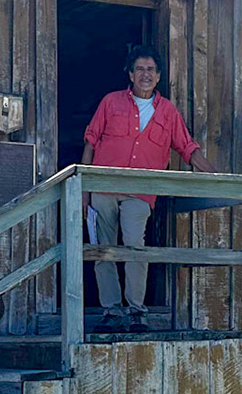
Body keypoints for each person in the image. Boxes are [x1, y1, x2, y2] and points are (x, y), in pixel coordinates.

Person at [81, 46, 212, 328]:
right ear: (130, 74)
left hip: (140, 192)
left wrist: (216, 176)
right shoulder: (111, 102)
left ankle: (136, 312)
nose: (145, 74)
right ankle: (111, 312)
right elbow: (90, 142)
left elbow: (187, 148)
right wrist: (83, 190)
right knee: (103, 249)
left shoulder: (167, 112)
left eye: (150, 69)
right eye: (139, 69)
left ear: (159, 76)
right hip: (102, 187)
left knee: (135, 247)